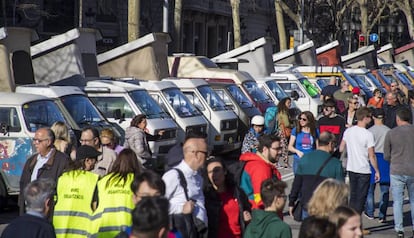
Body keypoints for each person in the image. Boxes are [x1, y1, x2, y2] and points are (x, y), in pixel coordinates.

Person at [289, 131, 344, 220]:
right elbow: (341, 191)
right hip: (326, 207)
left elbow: (297, 183)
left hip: (307, 204)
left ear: (318, 142)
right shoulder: (335, 163)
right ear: (330, 144)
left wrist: (291, 202)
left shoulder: (305, 158)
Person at [162, 135, 208, 237]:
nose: (207, 157)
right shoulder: (173, 176)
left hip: (198, 232)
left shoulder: (198, 176)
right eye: (205, 153)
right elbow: (157, 204)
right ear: (195, 154)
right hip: (180, 232)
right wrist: (181, 209)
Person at [19, 127, 70, 215]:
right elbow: (23, 183)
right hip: (29, 211)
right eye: (34, 140)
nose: (35, 143)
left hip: (49, 212)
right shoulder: (31, 161)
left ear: (48, 142)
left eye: (38, 141)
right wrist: (21, 205)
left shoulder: (62, 161)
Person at [93, 148, 143, 238]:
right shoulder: (137, 181)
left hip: (102, 230)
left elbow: (95, 205)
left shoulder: (104, 181)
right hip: (128, 230)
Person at [53, 145, 101, 237]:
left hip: (60, 230)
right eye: (94, 160)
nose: (95, 164)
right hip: (83, 232)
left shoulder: (63, 177)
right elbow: (95, 207)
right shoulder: (93, 180)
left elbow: (55, 201)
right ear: (87, 160)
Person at [339, 107, 380, 215]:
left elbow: (341, 148)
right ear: (365, 118)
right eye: (369, 117)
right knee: (361, 198)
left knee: (353, 196)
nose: (370, 119)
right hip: (364, 169)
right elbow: (372, 155)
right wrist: (376, 170)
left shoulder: (348, 131)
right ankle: (357, 222)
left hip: (351, 167)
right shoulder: (368, 134)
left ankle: (350, 219)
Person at [383, 107, 414, 237]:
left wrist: (393, 160)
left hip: (396, 169)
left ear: (398, 119)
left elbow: (386, 155)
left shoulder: (391, 133)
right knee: (413, 200)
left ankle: (399, 229)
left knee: (397, 201)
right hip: (412, 169)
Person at [203, 157, 251, 238]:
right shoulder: (207, 197)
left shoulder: (237, 192)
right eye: (210, 172)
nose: (213, 174)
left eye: (217, 170)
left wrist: (247, 218)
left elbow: (247, 209)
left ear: (225, 171)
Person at [239, 134, 282, 209]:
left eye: (280, 148)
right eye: (276, 149)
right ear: (265, 149)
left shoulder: (256, 163)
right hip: (260, 215)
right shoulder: (261, 169)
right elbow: (261, 200)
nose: (280, 152)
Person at [364, 108, 390, 223]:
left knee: (370, 189)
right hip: (385, 158)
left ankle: (370, 211)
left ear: (373, 117)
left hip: (372, 157)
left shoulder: (369, 131)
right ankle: (382, 214)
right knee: (384, 189)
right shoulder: (389, 131)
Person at [277, 97, 292, 168]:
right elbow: (286, 124)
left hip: (280, 131)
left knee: (280, 147)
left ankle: (278, 162)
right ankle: (286, 163)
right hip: (283, 131)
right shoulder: (283, 112)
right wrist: (292, 124)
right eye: (288, 103)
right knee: (284, 148)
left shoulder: (281, 111)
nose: (290, 104)